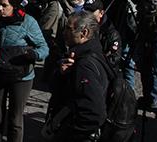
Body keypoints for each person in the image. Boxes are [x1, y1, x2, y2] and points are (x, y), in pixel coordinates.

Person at [0, 0, 49, 142]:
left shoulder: (28, 22)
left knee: (15, 119)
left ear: (14, 6)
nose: (0, 9)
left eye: (4, 5)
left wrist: (33, 55)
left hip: (21, 77)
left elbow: (44, 48)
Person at [43, 12, 108, 142]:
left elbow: (94, 112)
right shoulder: (79, 56)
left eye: (69, 28)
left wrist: (69, 133)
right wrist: (61, 74)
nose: (64, 32)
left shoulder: (85, 65)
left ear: (84, 33)